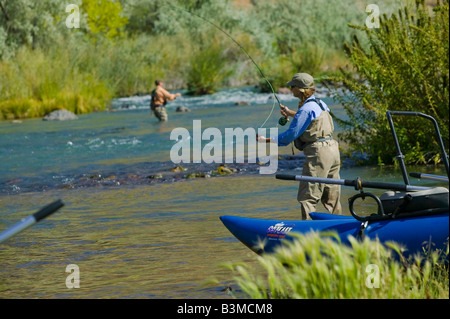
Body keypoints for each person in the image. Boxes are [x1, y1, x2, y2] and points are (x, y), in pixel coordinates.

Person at [258, 73, 342, 220]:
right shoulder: (320, 103)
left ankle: (308, 234)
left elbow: (291, 134)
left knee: (308, 197)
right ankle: (340, 228)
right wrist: (291, 113)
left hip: (319, 153)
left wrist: (266, 140)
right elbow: (312, 118)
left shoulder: (305, 109)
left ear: (301, 89)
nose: (291, 89)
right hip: (333, 150)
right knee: (332, 196)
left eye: (293, 86)